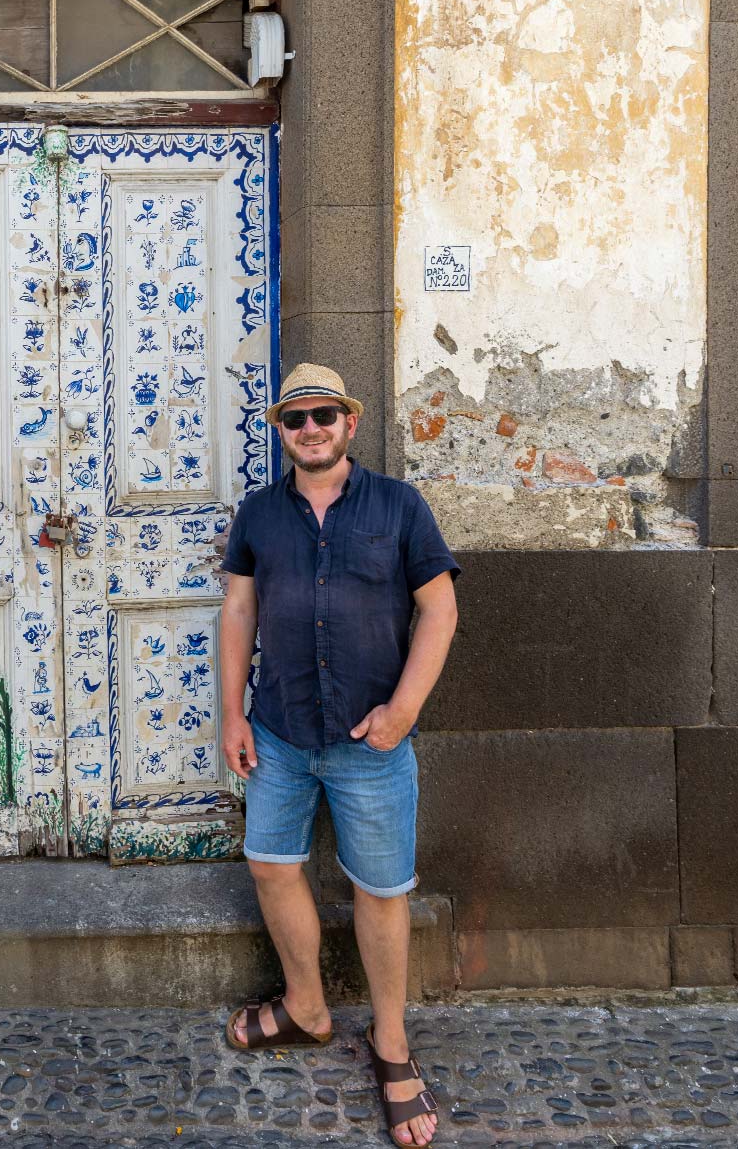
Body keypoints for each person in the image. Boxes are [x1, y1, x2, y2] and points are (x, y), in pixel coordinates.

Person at [216, 362, 460, 1148]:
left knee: (382, 890)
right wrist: (232, 715)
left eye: (324, 414)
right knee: (270, 863)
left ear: (349, 422)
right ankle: (308, 1007)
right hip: (282, 732)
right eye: (296, 418)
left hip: (371, 741)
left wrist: (404, 709)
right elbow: (239, 609)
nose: (311, 428)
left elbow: (439, 607)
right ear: (280, 432)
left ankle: (391, 1044)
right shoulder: (259, 513)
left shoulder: (398, 505)